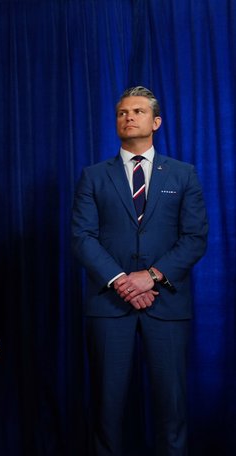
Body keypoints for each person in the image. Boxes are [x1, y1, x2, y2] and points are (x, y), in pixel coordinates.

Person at [72, 86, 208, 455]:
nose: (128, 117)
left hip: (167, 306)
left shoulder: (183, 175)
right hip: (108, 308)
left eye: (137, 111)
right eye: (121, 112)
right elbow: (82, 237)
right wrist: (121, 281)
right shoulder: (94, 176)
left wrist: (151, 276)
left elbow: (195, 238)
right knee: (107, 406)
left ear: (156, 121)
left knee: (171, 407)